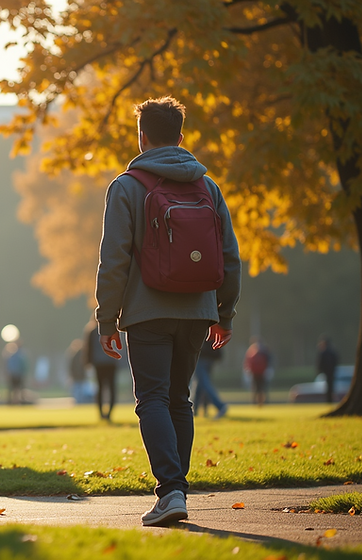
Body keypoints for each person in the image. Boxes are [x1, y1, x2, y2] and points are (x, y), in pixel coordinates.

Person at [94, 96, 241, 526]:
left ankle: (170, 490)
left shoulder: (127, 186)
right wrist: (224, 313)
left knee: (152, 398)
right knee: (180, 398)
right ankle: (178, 488)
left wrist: (106, 319)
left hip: (146, 311)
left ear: (142, 137)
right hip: (197, 311)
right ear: (180, 137)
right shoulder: (207, 187)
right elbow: (229, 255)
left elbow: (114, 258)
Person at [84, 319, 119, 421]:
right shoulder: (112, 330)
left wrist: (88, 362)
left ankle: (101, 414)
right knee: (111, 388)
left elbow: (88, 348)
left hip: (98, 363)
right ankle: (109, 414)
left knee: (100, 388)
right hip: (111, 362)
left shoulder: (91, 331)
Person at [193, 338, 227, 418]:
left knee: (204, 383)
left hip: (201, 356)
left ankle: (220, 406)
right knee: (200, 383)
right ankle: (195, 409)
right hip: (210, 357)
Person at [244, 337, 271, 406]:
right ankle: (259, 402)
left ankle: (259, 402)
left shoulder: (252, 350)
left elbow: (247, 361)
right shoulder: (263, 350)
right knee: (259, 388)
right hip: (258, 371)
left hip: (258, 371)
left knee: (258, 388)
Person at [317, 336, 340, 404]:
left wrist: (319, 370)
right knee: (331, 386)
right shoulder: (333, 352)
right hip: (332, 371)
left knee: (328, 386)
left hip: (327, 371)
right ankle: (330, 400)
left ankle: (329, 400)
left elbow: (320, 362)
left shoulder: (324, 352)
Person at [4, 341, 28, 405]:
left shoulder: (14, 355)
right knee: (16, 389)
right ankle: (15, 401)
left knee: (16, 389)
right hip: (16, 374)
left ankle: (16, 401)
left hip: (17, 374)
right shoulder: (18, 355)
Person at [67, 339, 89, 404]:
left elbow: (71, 367)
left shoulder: (74, 355)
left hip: (78, 376)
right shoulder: (81, 355)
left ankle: (79, 402)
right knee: (79, 390)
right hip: (79, 376)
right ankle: (80, 402)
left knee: (78, 390)